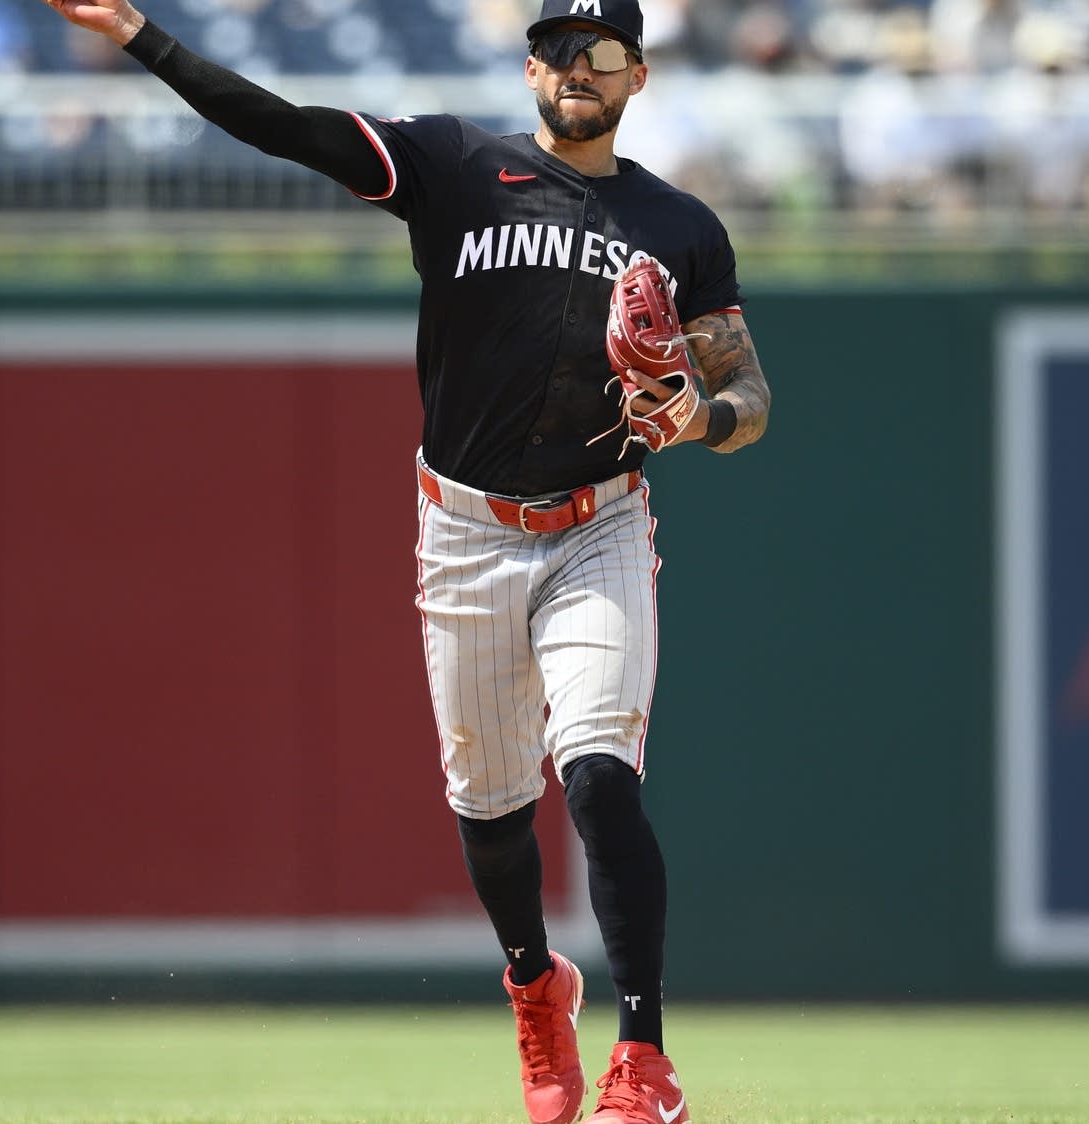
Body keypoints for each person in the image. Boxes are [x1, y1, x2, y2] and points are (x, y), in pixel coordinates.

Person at [41, 0, 772, 1119]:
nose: (578, 66)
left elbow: (750, 394)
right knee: (487, 806)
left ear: (637, 77)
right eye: (559, 47)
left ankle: (643, 1054)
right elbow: (283, 124)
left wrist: (700, 420)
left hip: (599, 522)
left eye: (603, 51)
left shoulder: (677, 224)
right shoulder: (451, 162)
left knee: (596, 776)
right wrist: (143, 35)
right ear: (530, 67)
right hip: (467, 530)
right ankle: (534, 980)